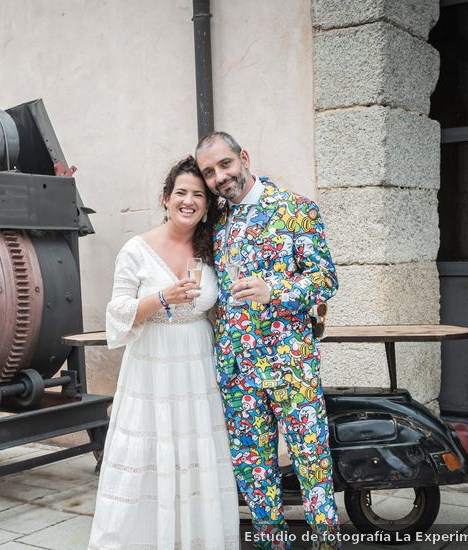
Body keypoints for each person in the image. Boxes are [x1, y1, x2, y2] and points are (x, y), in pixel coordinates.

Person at [195, 132, 340, 550]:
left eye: (224, 164)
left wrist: (273, 289)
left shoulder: (296, 209)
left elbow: (325, 279)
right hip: (237, 372)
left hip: (289, 366)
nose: (220, 177)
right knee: (255, 475)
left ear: (243, 157)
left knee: (313, 467)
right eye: (210, 172)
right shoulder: (215, 221)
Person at [89, 156, 239, 550]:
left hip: (196, 366)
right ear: (166, 198)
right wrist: (161, 297)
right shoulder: (136, 250)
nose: (189, 201)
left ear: (207, 204)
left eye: (198, 195)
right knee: (147, 455)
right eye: (181, 193)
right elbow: (117, 314)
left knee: (194, 452)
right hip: (151, 368)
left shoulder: (213, 248)